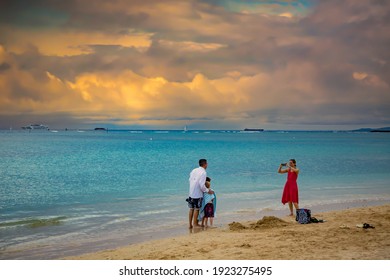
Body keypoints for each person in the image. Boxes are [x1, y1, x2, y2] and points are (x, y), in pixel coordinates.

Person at [187, 159, 214, 229]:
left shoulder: (194, 170)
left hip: (191, 192)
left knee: (191, 208)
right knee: (197, 209)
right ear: (205, 164)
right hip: (197, 193)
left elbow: (190, 180)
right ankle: (195, 224)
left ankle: (190, 225)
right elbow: (201, 185)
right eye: (207, 164)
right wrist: (208, 191)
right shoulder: (203, 172)